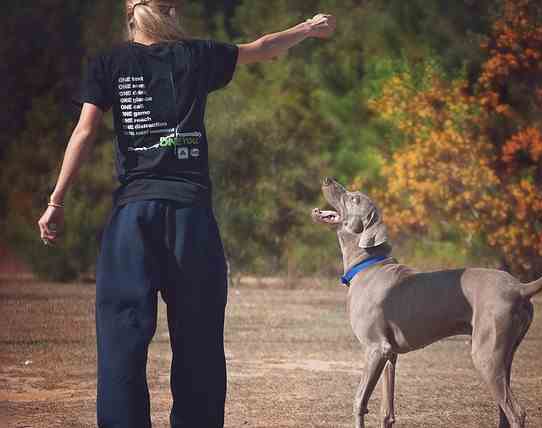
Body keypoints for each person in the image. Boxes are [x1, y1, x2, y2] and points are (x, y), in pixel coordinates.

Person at [37, 1, 336, 427]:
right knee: (199, 343)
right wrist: (307, 28)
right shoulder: (197, 54)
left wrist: (56, 201)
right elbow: (264, 47)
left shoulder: (108, 63)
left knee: (121, 342)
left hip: (132, 218)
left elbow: (84, 131)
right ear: (171, 13)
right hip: (190, 218)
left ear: (130, 17)